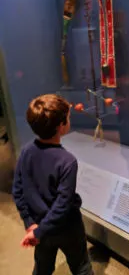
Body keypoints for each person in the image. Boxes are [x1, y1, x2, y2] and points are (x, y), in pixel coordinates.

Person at [12, 94, 93, 275]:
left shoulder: (26, 152)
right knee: (81, 266)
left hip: (39, 226)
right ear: (61, 126)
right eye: (68, 117)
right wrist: (39, 230)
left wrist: (31, 224)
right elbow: (63, 205)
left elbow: (17, 190)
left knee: (42, 268)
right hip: (67, 228)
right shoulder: (68, 161)